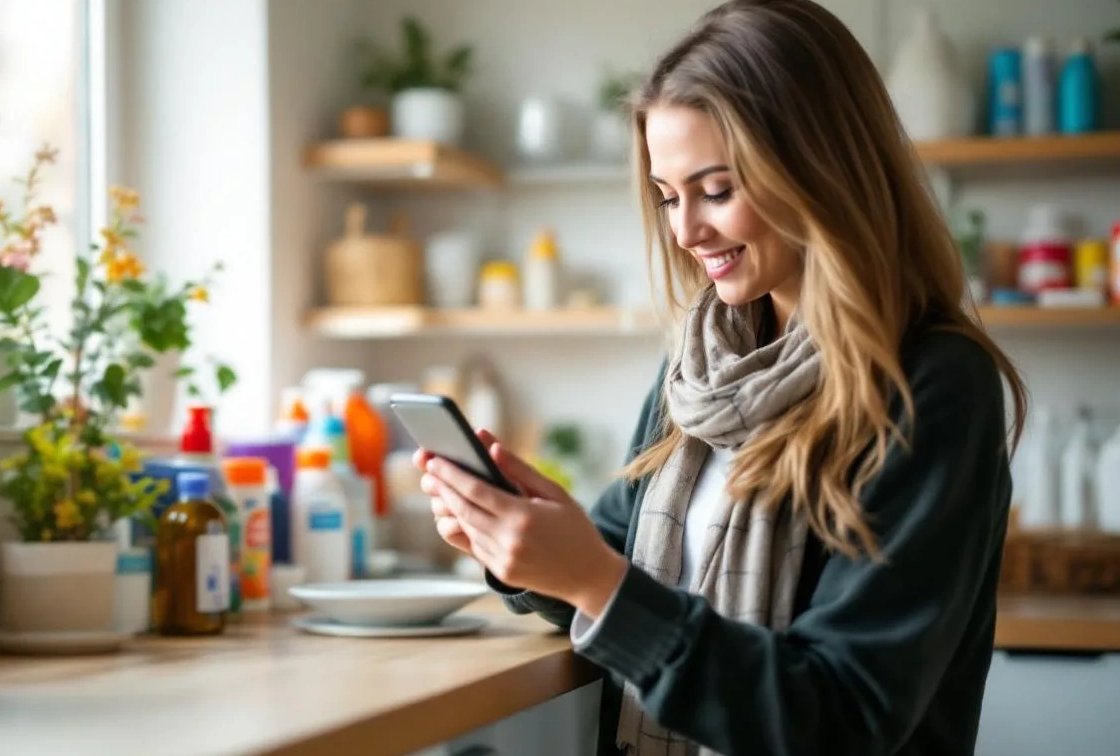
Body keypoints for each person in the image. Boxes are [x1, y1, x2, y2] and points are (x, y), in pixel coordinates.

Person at [416, 1, 1027, 755]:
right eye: (668, 196)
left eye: (716, 189)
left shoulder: (933, 386)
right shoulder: (697, 372)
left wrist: (596, 582)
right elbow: (619, 555)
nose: (684, 231)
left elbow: (846, 715)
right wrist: (514, 541)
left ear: (818, 166)